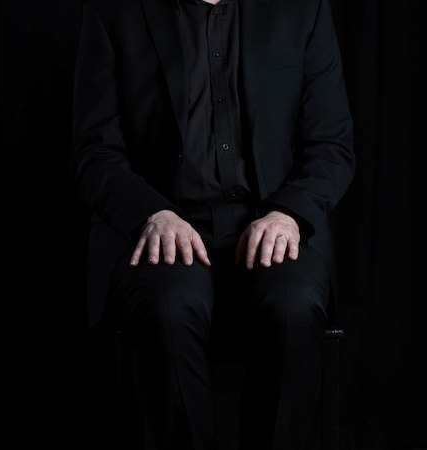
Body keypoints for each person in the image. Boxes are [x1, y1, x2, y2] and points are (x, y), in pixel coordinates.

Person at [70, 0, 354, 448]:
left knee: (293, 303)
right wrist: (152, 213)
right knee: (169, 305)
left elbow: (331, 144)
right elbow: (94, 150)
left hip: (270, 220)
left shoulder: (303, 9)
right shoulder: (112, 11)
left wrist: (288, 213)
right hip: (161, 222)